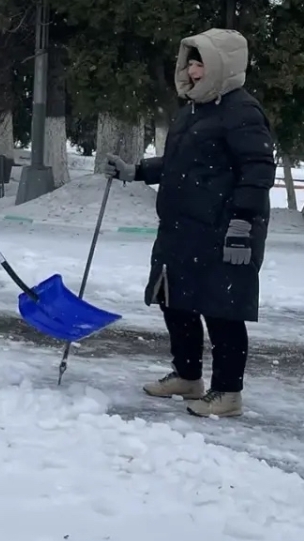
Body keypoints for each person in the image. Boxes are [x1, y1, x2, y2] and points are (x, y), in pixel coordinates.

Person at [103, 28, 275, 418]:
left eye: (201, 63)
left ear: (222, 66)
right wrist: (137, 170)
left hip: (224, 229)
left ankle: (228, 392)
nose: (193, 71)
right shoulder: (194, 109)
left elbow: (259, 169)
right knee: (175, 301)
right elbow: (181, 164)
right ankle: (187, 376)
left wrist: (243, 224)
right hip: (183, 227)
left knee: (222, 310)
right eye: (191, 62)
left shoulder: (241, 111)